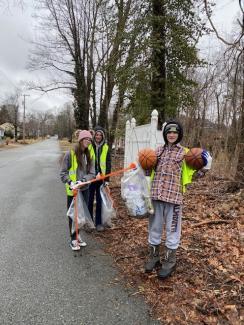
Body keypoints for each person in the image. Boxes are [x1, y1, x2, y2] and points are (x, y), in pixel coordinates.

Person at [144, 120, 211, 279]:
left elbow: (195, 174)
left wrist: (205, 168)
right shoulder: (157, 151)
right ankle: (154, 257)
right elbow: (148, 171)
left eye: (174, 132)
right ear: (165, 134)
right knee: (155, 228)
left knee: (173, 230)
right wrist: (142, 166)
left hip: (174, 199)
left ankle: (169, 261)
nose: (172, 135)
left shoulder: (186, 153)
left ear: (179, 134)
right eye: (169, 132)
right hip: (156, 197)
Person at [60, 130, 95, 251]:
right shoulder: (70, 154)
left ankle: (77, 235)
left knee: (81, 215)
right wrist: (71, 182)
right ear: (80, 140)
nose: (88, 141)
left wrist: (84, 180)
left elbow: (92, 173)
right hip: (73, 191)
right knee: (72, 215)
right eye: (86, 139)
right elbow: (62, 173)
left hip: (85, 189)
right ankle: (73, 239)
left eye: (90, 140)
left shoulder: (89, 154)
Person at [88, 126, 111, 231]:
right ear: (94, 135)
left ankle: (98, 223)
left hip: (101, 178)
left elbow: (108, 163)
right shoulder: (89, 146)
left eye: (100, 135)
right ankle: (89, 223)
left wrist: (106, 180)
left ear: (103, 136)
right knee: (89, 200)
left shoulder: (106, 147)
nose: (98, 136)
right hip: (90, 178)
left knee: (100, 200)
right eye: (96, 134)